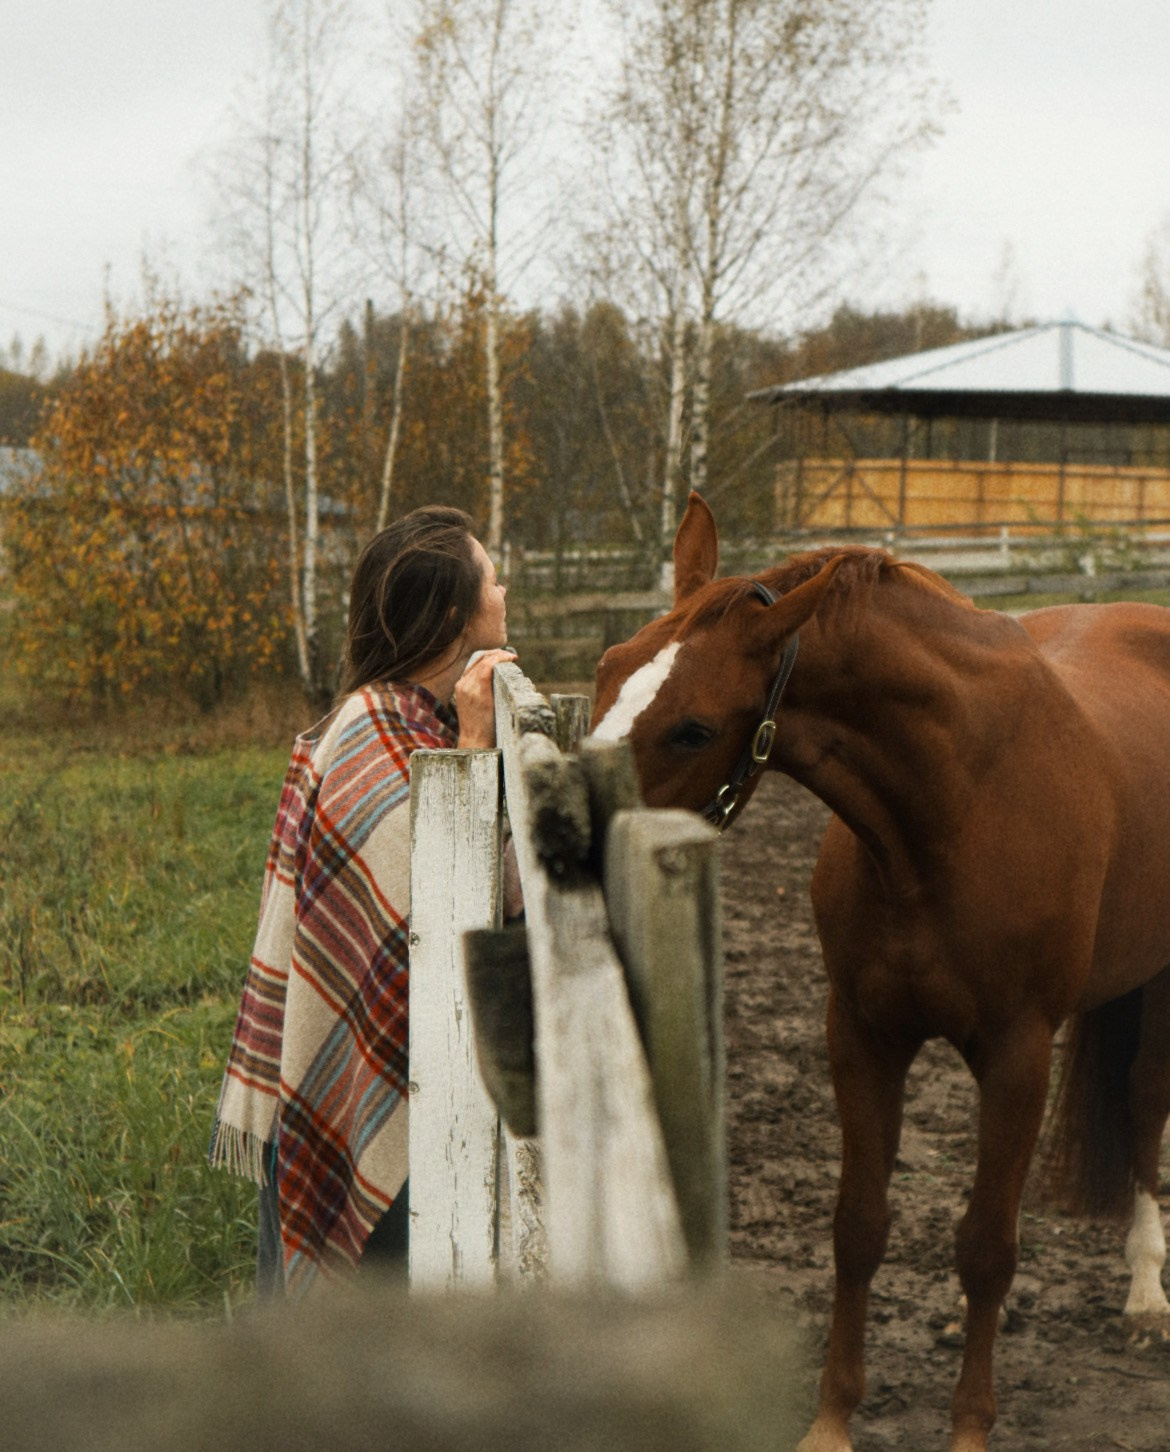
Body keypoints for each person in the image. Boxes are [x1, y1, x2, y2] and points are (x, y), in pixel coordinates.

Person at [209, 506, 516, 1297]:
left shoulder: (414, 721)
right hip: (364, 1091)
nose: (504, 587)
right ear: (456, 615)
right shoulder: (372, 737)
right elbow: (443, 901)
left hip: (401, 1073)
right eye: (492, 577)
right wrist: (474, 753)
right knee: (360, 1334)